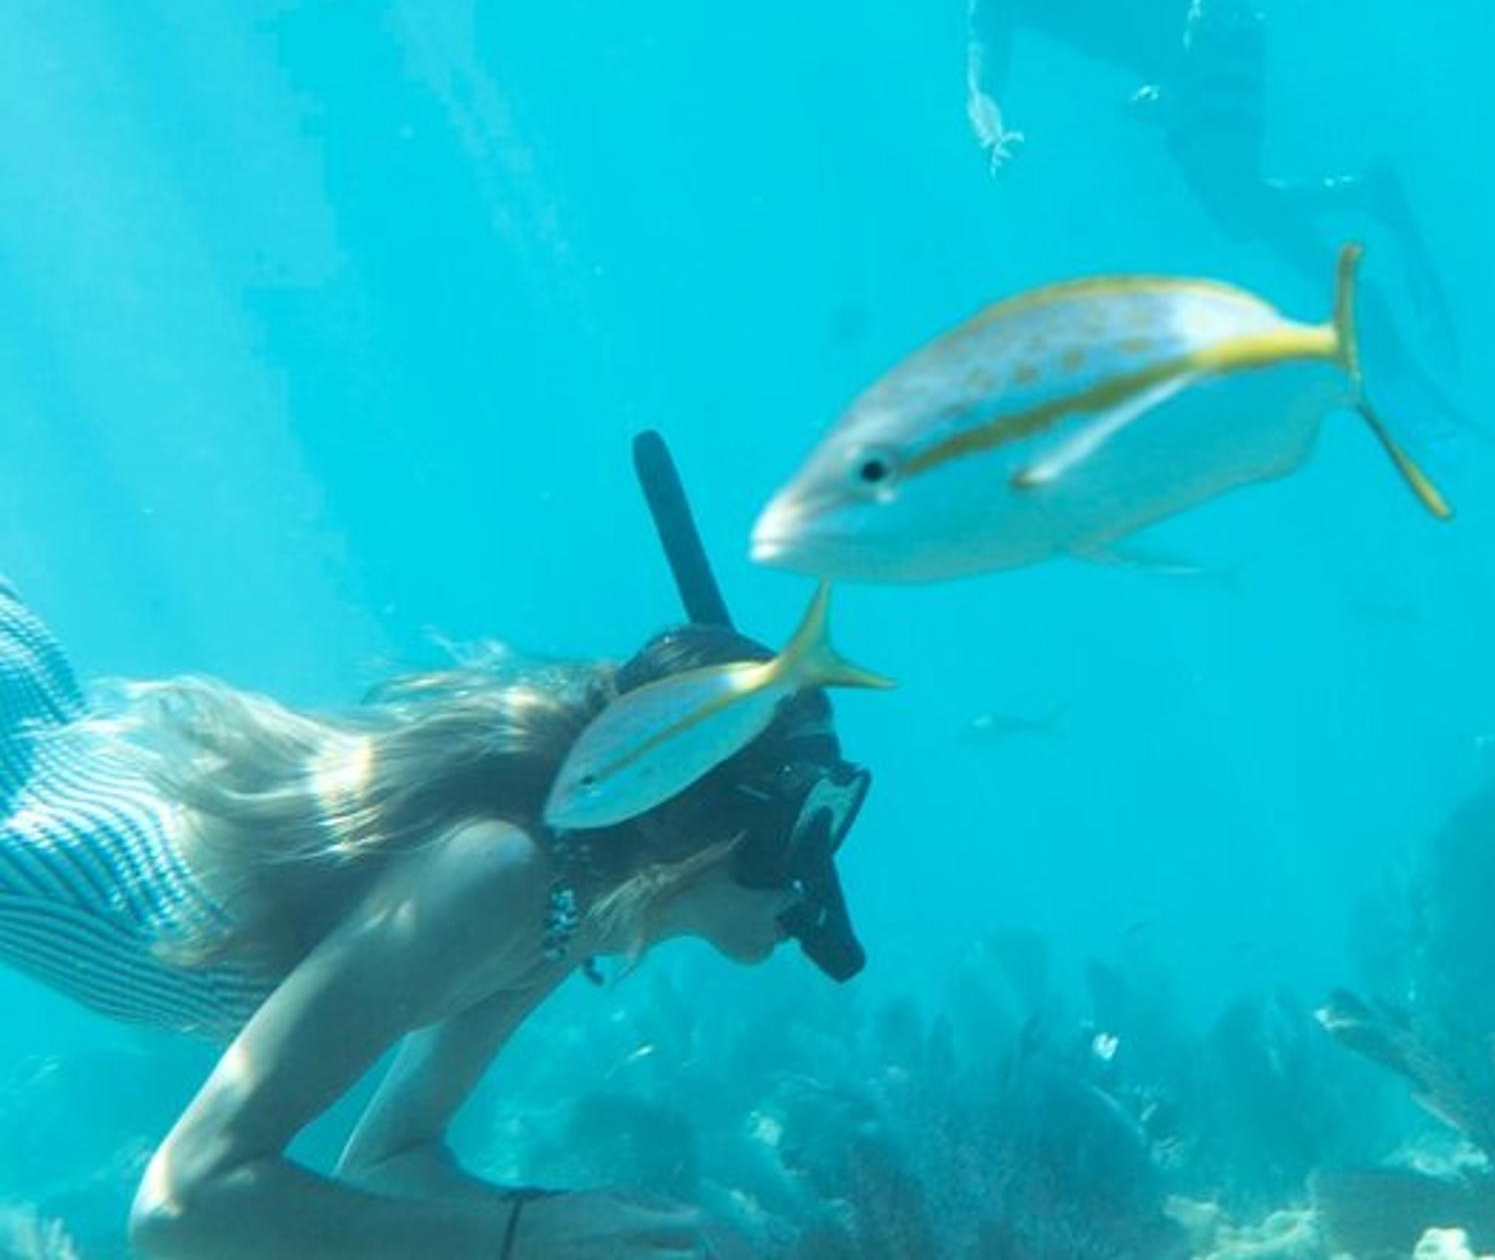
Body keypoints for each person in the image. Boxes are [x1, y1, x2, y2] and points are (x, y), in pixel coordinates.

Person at [0, 441, 874, 1259]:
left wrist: (559, 1223)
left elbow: (389, 1160)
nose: (813, 875)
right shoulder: (498, 873)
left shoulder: (574, 902)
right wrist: (521, 1235)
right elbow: (181, 1205)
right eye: (802, 830)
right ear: (700, 826)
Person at [936, 0, 1462, 375]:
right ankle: (1360, 261)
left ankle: (1360, 253)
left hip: (1219, 27)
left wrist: (1180, 76)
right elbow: (981, 84)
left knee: (1235, 200)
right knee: (1238, 208)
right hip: (1174, 72)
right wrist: (992, 135)